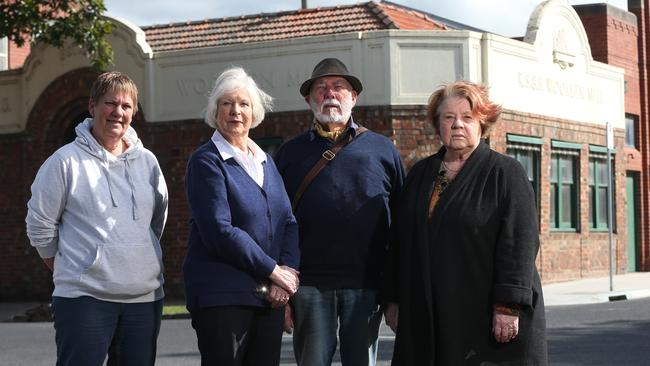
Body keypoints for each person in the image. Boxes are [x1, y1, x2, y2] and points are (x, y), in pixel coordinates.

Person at [384, 81, 547, 365]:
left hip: (484, 314)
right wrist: (395, 299)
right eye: (448, 117)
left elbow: (520, 242)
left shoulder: (505, 173)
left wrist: (508, 305)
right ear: (438, 125)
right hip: (426, 313)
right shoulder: (420, 174)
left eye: (467, 117)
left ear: (483, 123)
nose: (457, 124)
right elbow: (400, 241)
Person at [25, 71, 169, 366]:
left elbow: (157, 219)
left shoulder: (148, 162)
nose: (118, 112)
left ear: (134, 112)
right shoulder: (64, 162)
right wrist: (72, 265)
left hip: (144, 300)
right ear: (92, 107)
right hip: (83, 299)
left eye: (126, 106)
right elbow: (39, 226)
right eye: (110, 103)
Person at [274, 58, 405, 366]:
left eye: (338, 87)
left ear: (353, 97)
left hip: (366, 283)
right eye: (321, 88)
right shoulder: (289, 154)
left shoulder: (383, 150)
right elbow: (276, 223)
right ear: (309, 99)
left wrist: (395, 290)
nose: (329, 94)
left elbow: (402, 225)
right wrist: (282, 286)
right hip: (308, 284)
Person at [183, 67, 300, 366]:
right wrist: (274, 270)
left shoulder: (265, 161)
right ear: (215, 111)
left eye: (244, 104)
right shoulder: (206, 161)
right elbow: (219, 231)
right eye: (227, 103)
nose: (236, 111)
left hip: (268, 298)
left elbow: (288, 222)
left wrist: (285, 277)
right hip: (222, 297)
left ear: (254, 111)